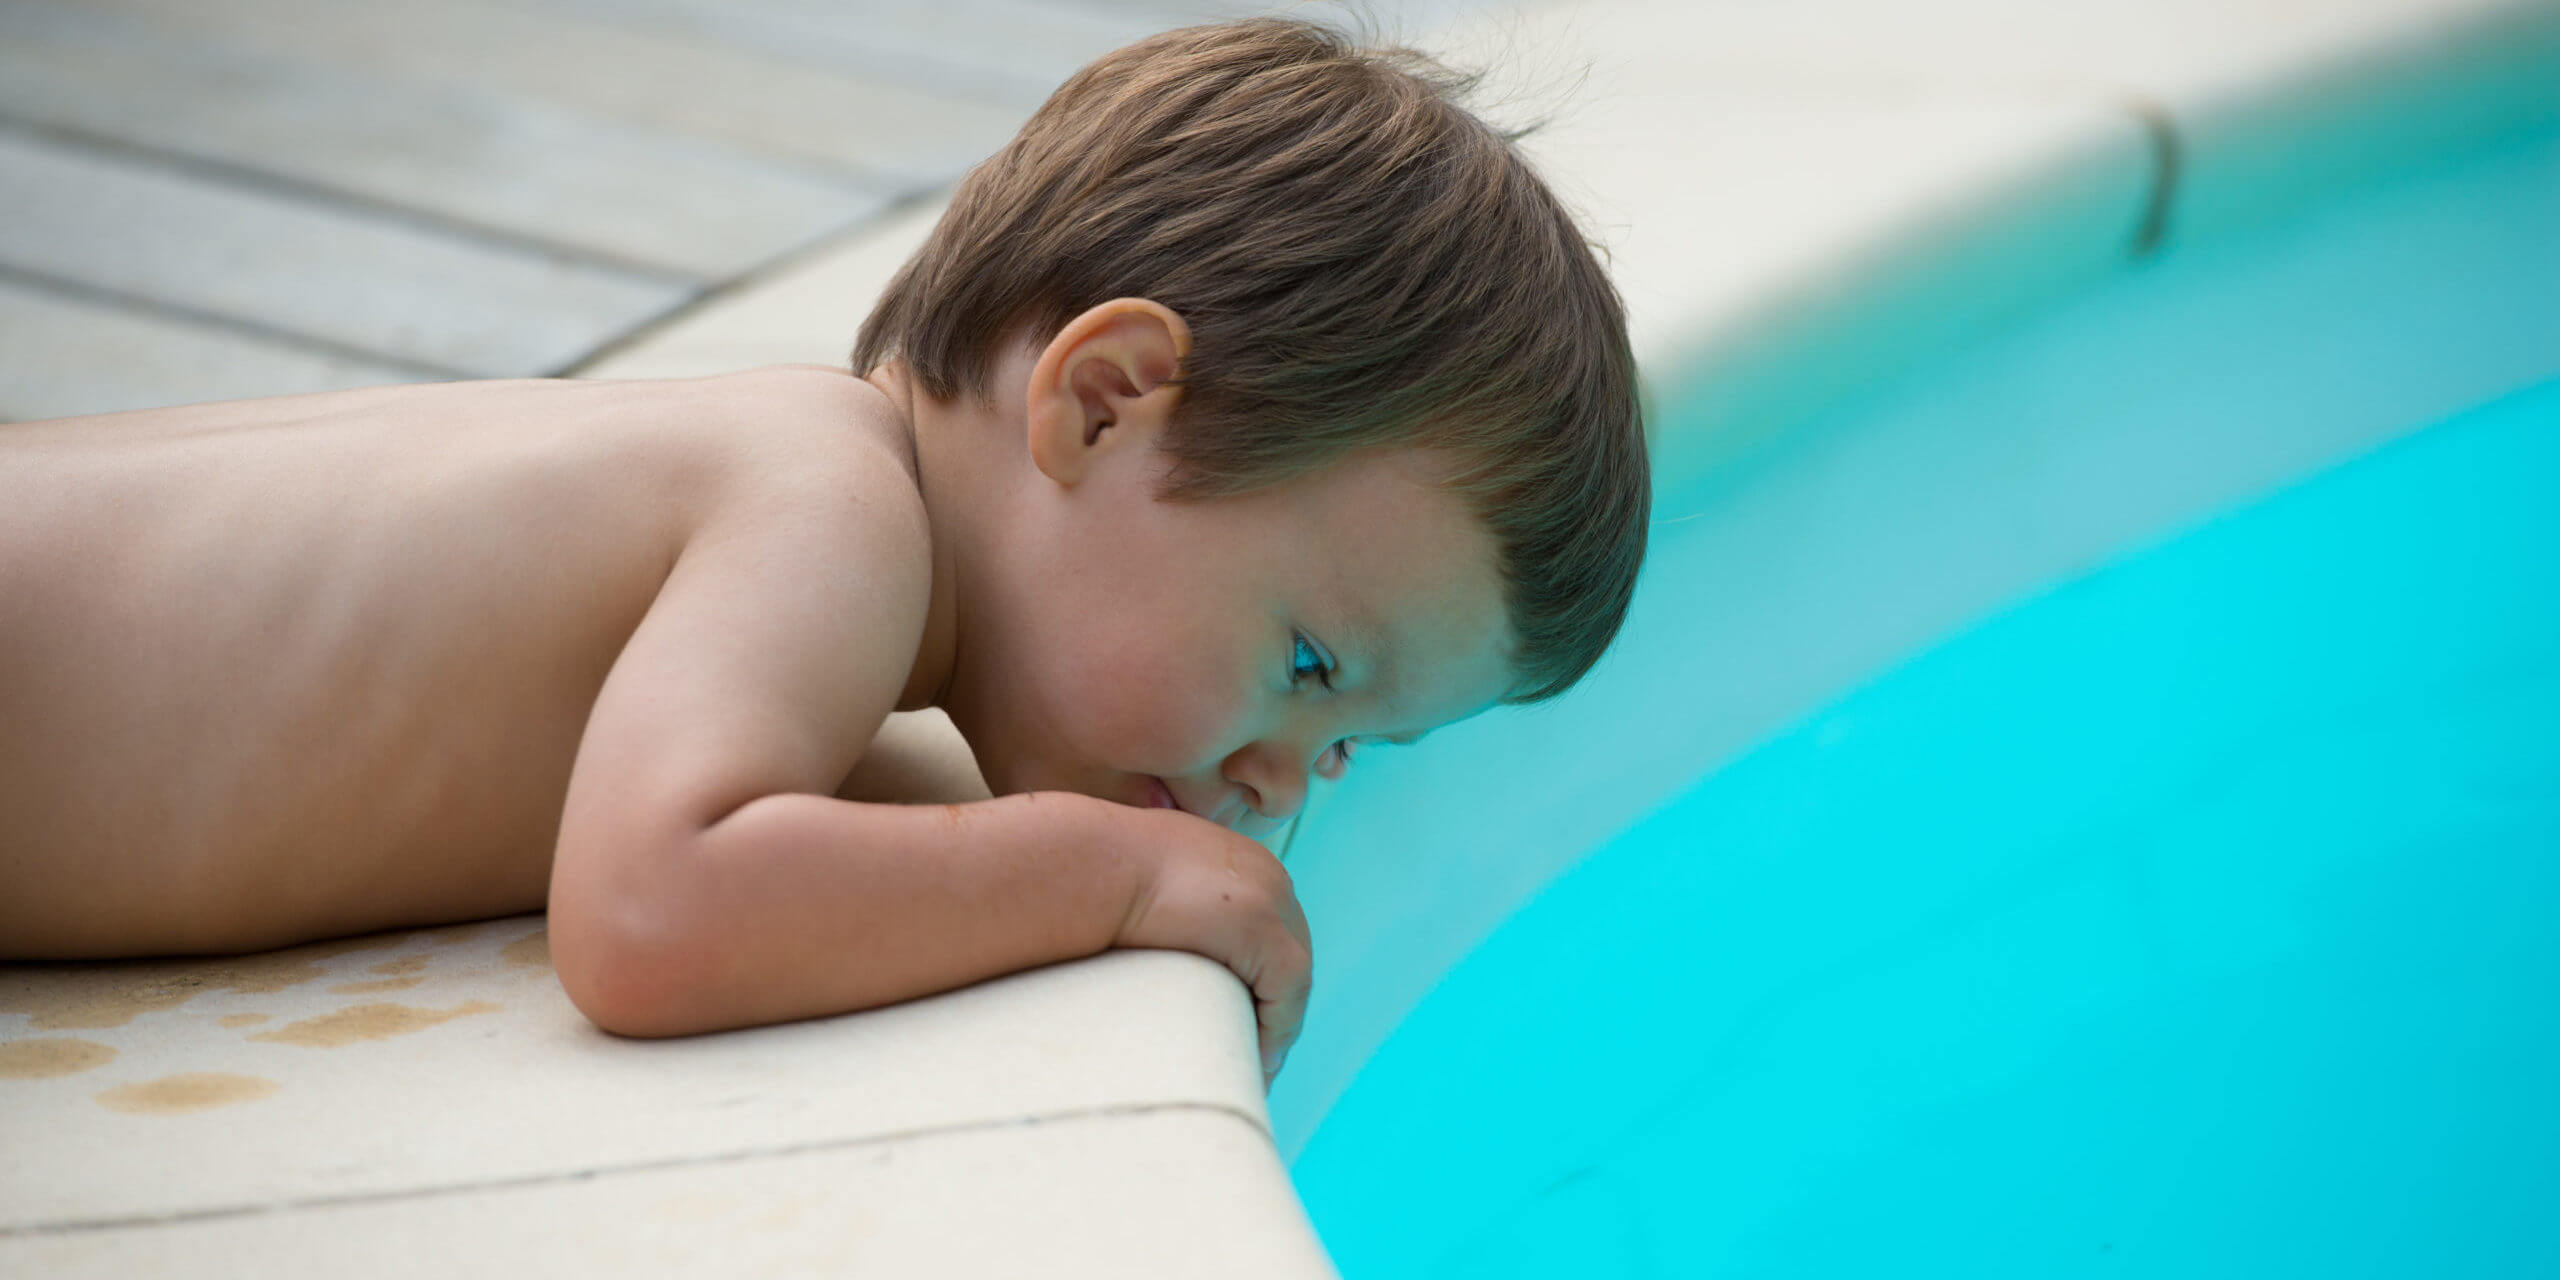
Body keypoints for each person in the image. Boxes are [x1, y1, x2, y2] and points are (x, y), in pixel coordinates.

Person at [0, 18, 1646, 1090]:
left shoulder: (818, 502)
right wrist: (1131, 875)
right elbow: (655, 911)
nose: (1281, 783)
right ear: (1104, 401)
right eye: (1304, 665)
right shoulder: (829, 515)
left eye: (1345, 743)